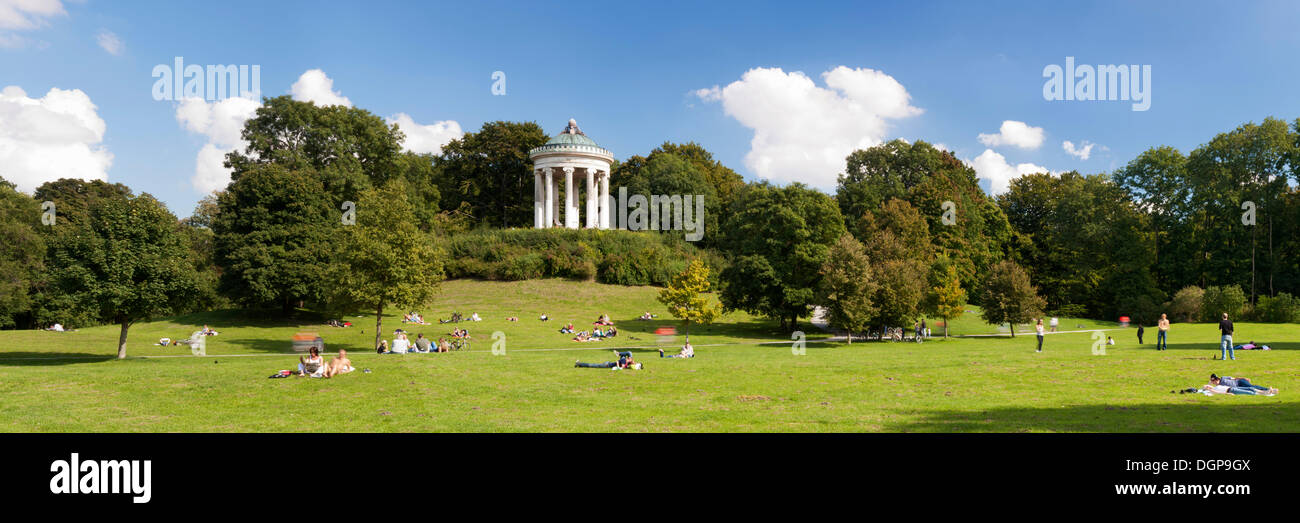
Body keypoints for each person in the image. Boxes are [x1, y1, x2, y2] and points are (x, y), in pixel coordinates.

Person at [1209, 374, 1277, 395]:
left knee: (1251, 386)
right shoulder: (1219, 386)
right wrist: (1210, 383)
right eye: (1213, 382)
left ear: (1217, 379)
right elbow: (1209, 387)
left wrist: (1244, 378)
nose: (1214, 383)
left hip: (1239, 382)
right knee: (1251, 389)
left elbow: (1234, 378)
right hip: (1238, 387)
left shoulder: (1223, 378)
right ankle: (1268, 391)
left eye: (1214, 381)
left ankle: (1268, 389)